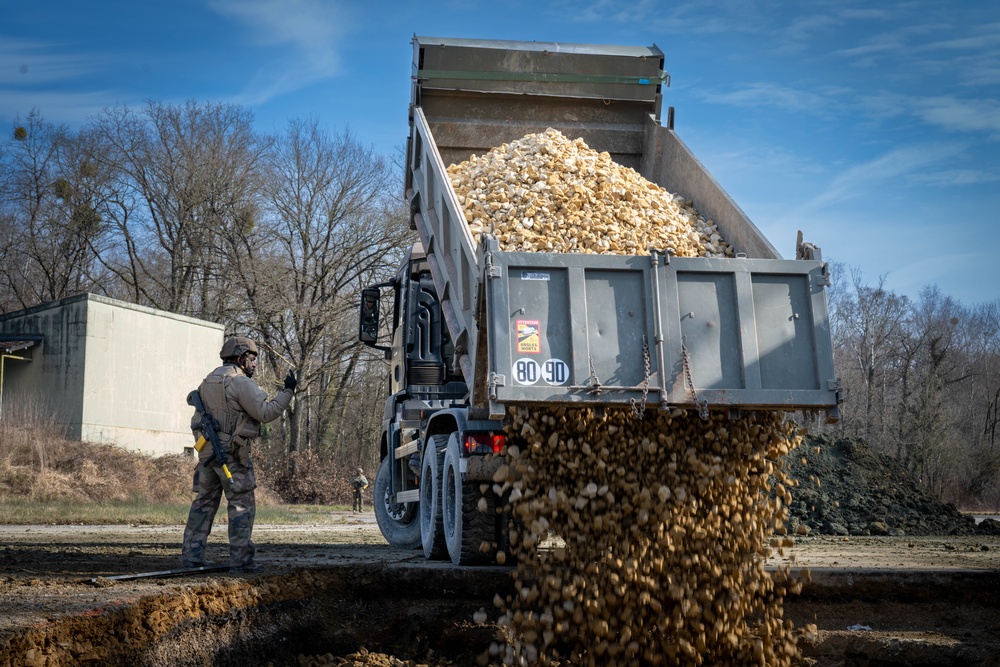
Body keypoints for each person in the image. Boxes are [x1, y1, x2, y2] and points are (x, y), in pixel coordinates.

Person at [181, 336, 297, 573]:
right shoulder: (239, 382)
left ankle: (192, 556)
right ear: (239, 357)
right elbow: (266, 412)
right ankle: (241, 560)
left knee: (202, 505)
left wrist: (206, 448)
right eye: (252, 359)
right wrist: (288, 391)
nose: (254, 364)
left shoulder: (207, 382)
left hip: (207, 456)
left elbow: (196, 422)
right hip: (232, 456)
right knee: (242, 505)